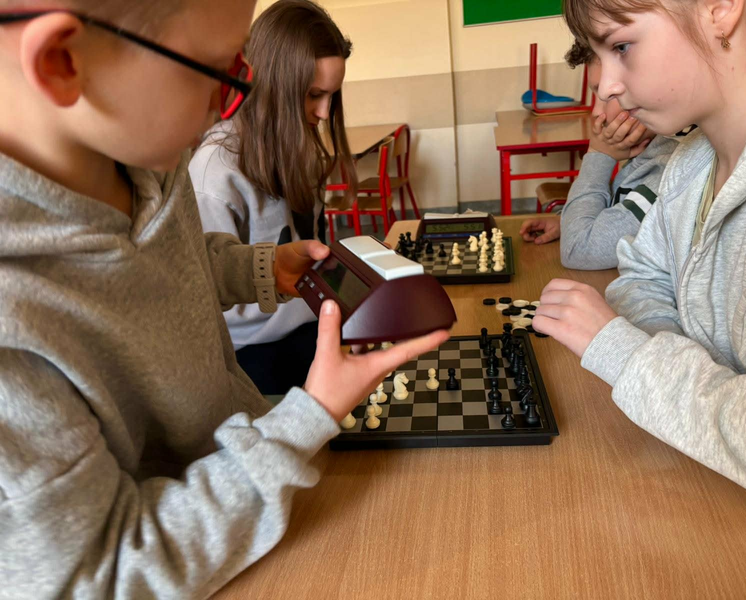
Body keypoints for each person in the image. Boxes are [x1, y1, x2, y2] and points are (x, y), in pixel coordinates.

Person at [0, 2, 448, 597]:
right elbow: (103, 575)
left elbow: (168, 267)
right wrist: (306, 417)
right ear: (61, 61)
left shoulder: (147, 157)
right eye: (217, 70)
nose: (232, 106)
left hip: (248, 491)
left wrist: (260, 267)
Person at [534, 0, 746, 513]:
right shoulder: (689, 164)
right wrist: (676, 376)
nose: (605, 87)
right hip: (703, 488)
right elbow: (641, 275)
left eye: (621, 47)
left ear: (720, 9)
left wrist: (627, 353)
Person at [190, 0, 357, 394]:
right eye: (314, 94)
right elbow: (208, 296)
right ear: (274, 86)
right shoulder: (216, 171)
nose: (324, 112)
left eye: (332, 96)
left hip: (310, 322)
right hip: (254, 352)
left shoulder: (299, 142)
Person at [522, 40, 682, 271]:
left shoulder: (668, 170)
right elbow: (623, 214)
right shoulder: (653, 148)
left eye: (606, 95)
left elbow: (578, 249)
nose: (597, 112)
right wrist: (569, 222)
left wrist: (598, 154)